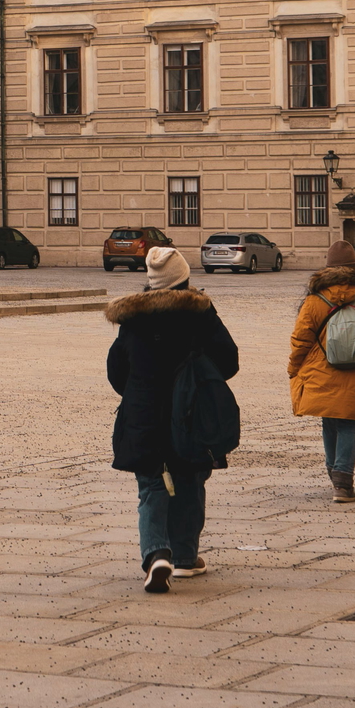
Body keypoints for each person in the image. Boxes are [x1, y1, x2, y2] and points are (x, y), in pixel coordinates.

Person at [107, 245, 240, 592]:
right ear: (184, 278)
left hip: (143, 414)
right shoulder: (200, 313)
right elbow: (229, 361)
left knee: (152, 484)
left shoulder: (133, 318)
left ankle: (156, 555)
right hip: (191, 413)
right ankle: (184, 556)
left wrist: (137, 392)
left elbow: (116, 369)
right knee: (190, 480)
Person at [287, 240, 355, 504]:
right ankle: (343, 483)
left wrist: (294, 369)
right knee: (351, 423)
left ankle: (334, 476)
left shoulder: (314, 301)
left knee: (330, 421)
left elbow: (300, 339)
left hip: (321, 372)